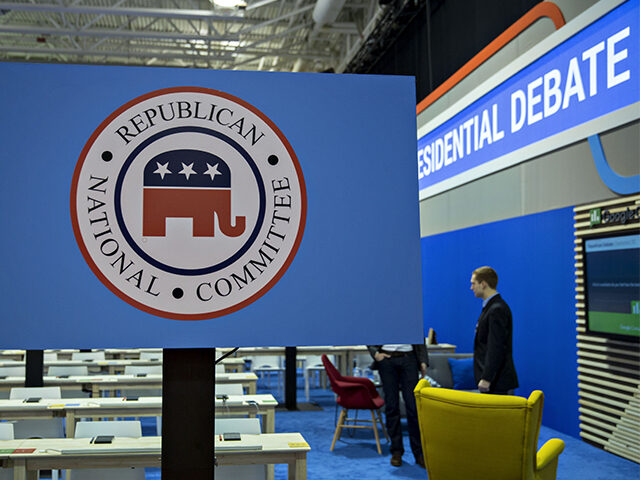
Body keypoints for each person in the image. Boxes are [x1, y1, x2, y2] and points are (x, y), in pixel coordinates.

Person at [367, 342, 428, 468]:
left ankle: (419, 453)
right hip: (386, 360)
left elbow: (418, 334)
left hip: (409, 358)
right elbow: (370, 331)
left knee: (413, 407)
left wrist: (423, 360)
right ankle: (396, 451)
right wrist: (376, 354)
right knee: (391, 406)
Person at [470, 266, 518, 395]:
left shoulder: (496, 309)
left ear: (483, 284)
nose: (471, 288)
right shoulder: (490, 308)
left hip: (497, 382)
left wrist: (486, 378)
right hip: (493, 382)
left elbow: (496, 347)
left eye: (473, 283)